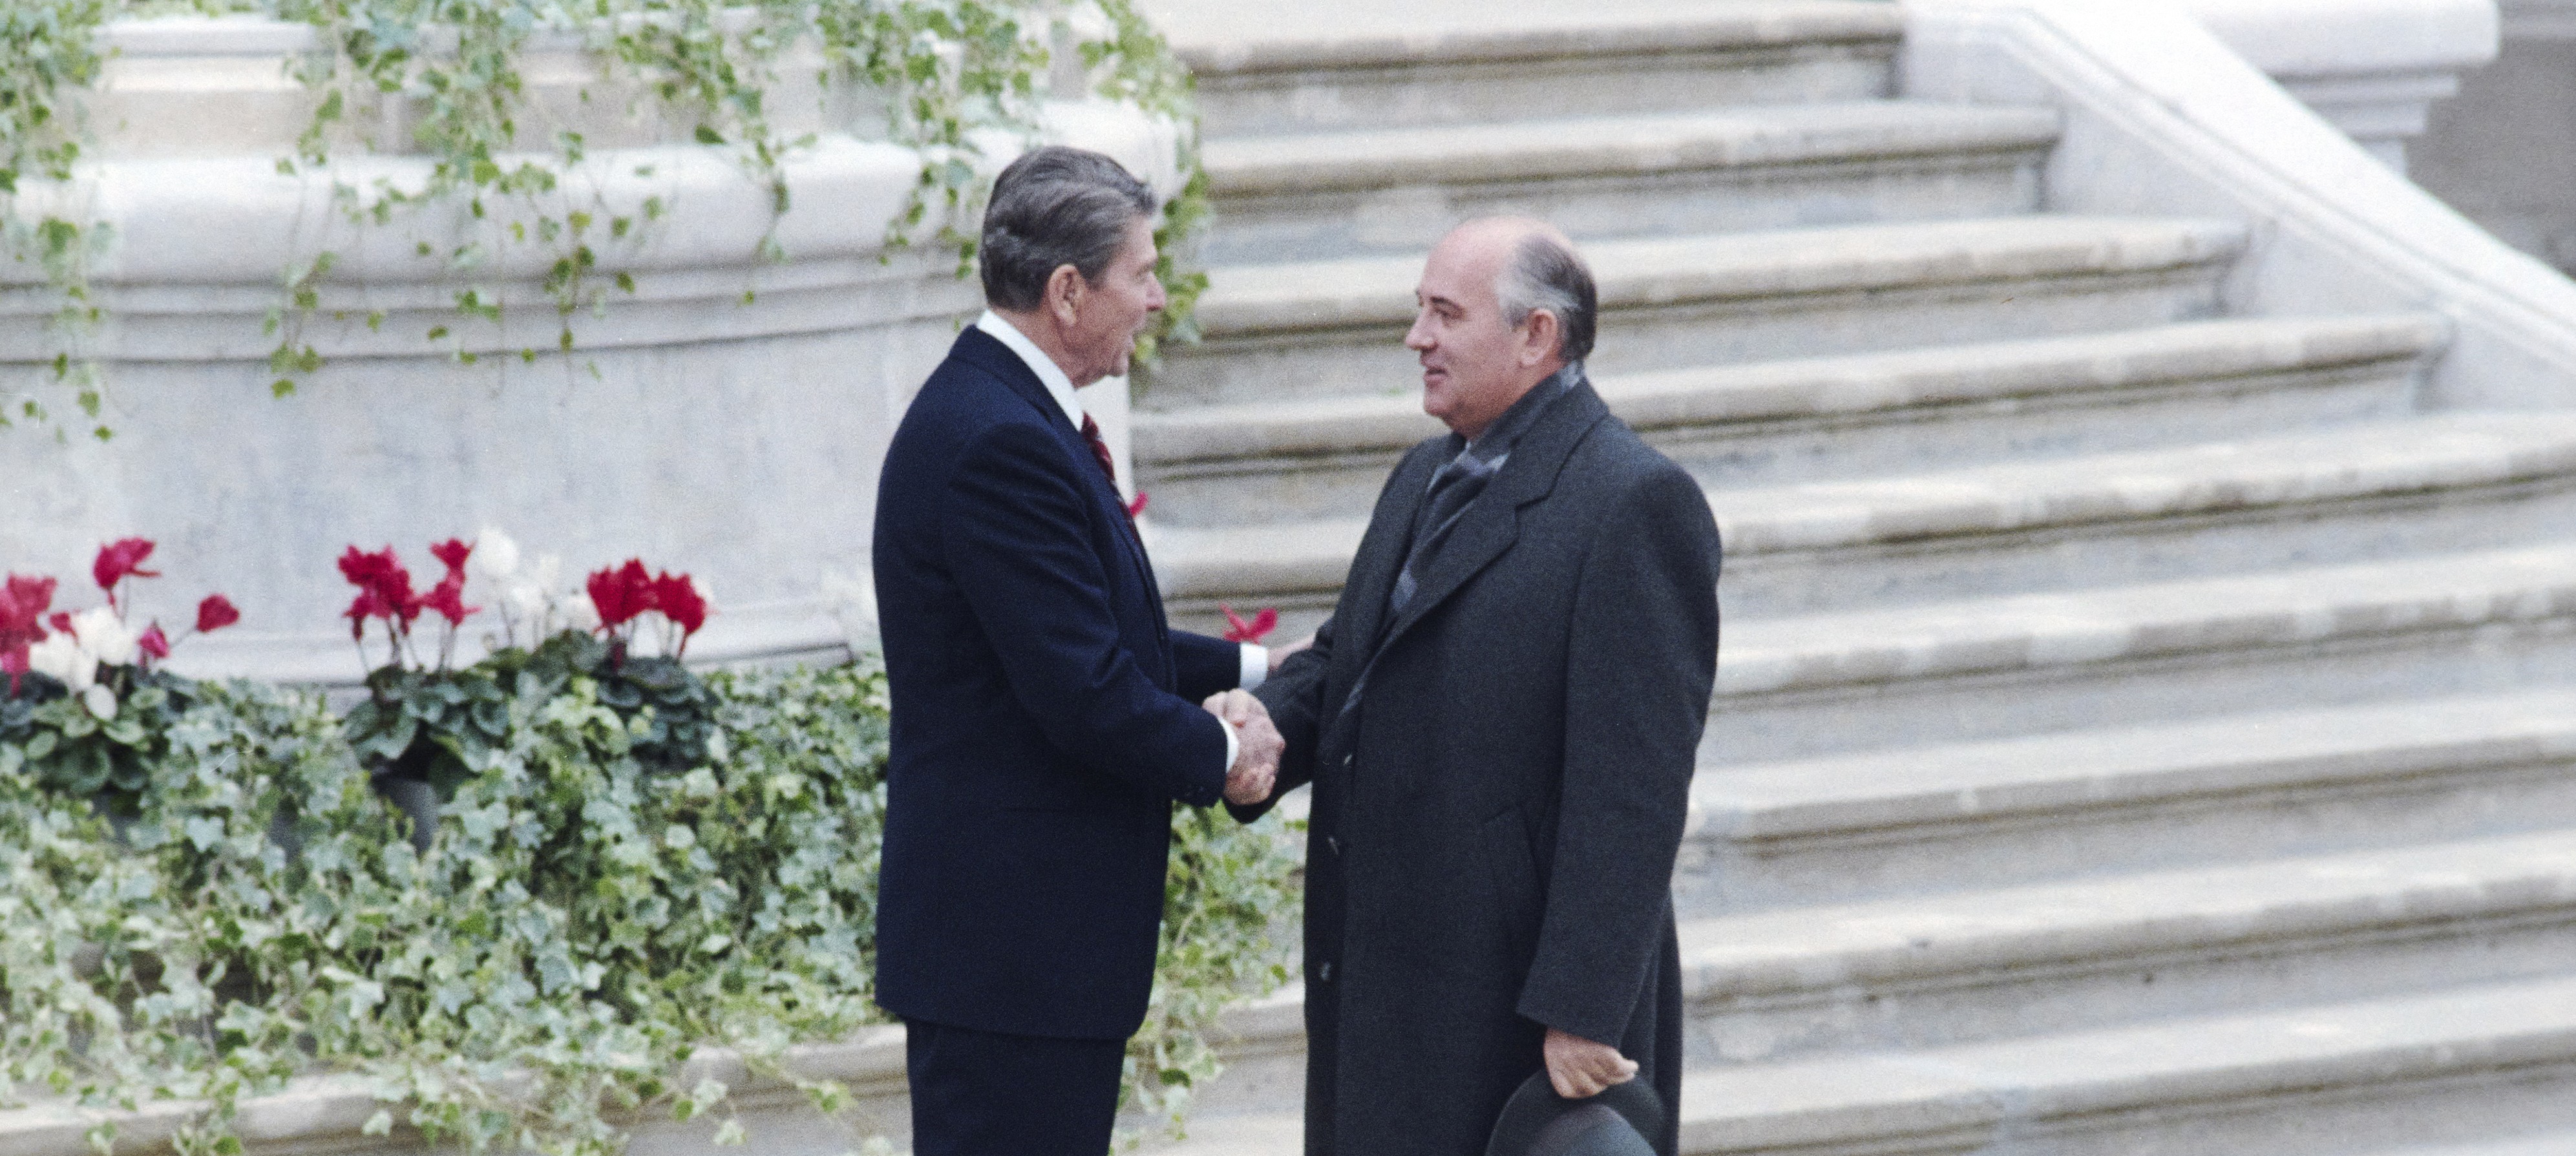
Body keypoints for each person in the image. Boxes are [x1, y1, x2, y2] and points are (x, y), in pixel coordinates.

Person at [1225, 217, 1721, 1156]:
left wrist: (1581, 1007)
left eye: (1443, 314)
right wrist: (1265, 732)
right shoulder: (1422, 475)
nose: (1417, 337)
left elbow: (1635, 788)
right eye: (1419, 311)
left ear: (1536, 335)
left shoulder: (1634, 502)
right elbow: (1347, 658)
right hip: (1387, 971)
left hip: (1514, 1012)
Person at [871, 145, 1287, 1156]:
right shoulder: (997, 441)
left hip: (1020, 958)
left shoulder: (1004, 412)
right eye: (1139, 274)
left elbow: (1092, 637)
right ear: (1067, 291)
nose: (1154, 299)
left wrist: (1260, 672)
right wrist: (1232, 757)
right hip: (1013, 958)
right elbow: (1085, 692)